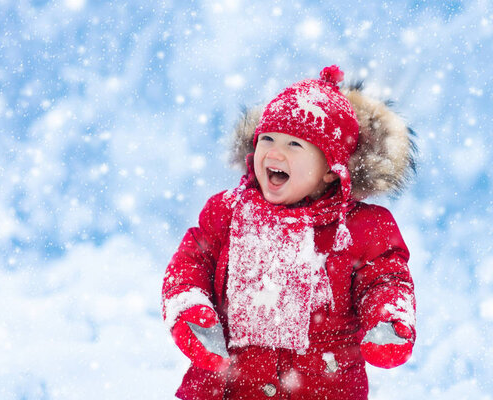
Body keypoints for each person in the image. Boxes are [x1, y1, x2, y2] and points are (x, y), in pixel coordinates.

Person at [162, 65, 417, 399]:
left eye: (295, 144)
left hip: (321, 387)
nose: (274, 152)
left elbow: (385, 280)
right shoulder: (227, 212)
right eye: (267, 138)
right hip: (225, 389)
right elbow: (190, 266)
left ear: (331, 169)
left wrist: (387, 319)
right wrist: (190, 308)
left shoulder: (362, 228)